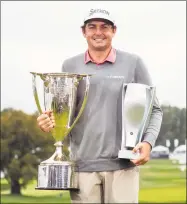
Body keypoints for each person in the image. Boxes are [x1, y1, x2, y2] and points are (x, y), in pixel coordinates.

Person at [37, 8, 163, 203]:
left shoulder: (133, 63)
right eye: (92, 27)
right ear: (84, 32)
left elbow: (154, 110)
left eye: (104, 27)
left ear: (114, 31)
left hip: (123, 166)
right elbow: (63, 114)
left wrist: (148, 143)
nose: (98, 32)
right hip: (82, 167)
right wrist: (49, 121)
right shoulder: (69, 66)